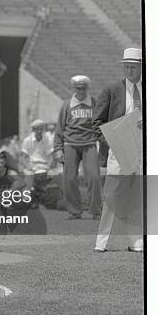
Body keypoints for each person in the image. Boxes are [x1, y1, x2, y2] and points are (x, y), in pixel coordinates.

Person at [93, 48, 143, 253]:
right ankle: (101, 242)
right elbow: (96, 123)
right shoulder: (111, 90)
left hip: (141, 152)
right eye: (126, 66)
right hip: (118, 150)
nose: (129, 70)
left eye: (133, 66)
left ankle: (135, 241)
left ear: (142, 67)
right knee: (112, 196)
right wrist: (111, 143)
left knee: (137, 197)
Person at [54, 75, 101, 220]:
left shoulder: (94, 103)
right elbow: (60, 128)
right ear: (73, 88)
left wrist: (105, 144)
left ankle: (96, 210)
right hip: (70, 144)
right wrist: (57, 149)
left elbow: (100, 125)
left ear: (87, 88)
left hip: (89, 143)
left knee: (93, 177)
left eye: (83, 88)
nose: (81, 90)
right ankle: (74, 211)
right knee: (69, 179)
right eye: (78, 88)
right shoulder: (66, 104)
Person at [21, 119, 56, 209]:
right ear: (34, 130)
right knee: (29, 177)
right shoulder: (27, 140)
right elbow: (23, 157)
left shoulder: (47, 140)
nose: (40, 131)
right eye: (38, 129)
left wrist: (48, 167)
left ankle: (40, 201)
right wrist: (27, 166)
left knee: (45, 176)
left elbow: (51, 156)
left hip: (43, 165)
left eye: (41, 129)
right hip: (31, 165)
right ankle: (27, 201)